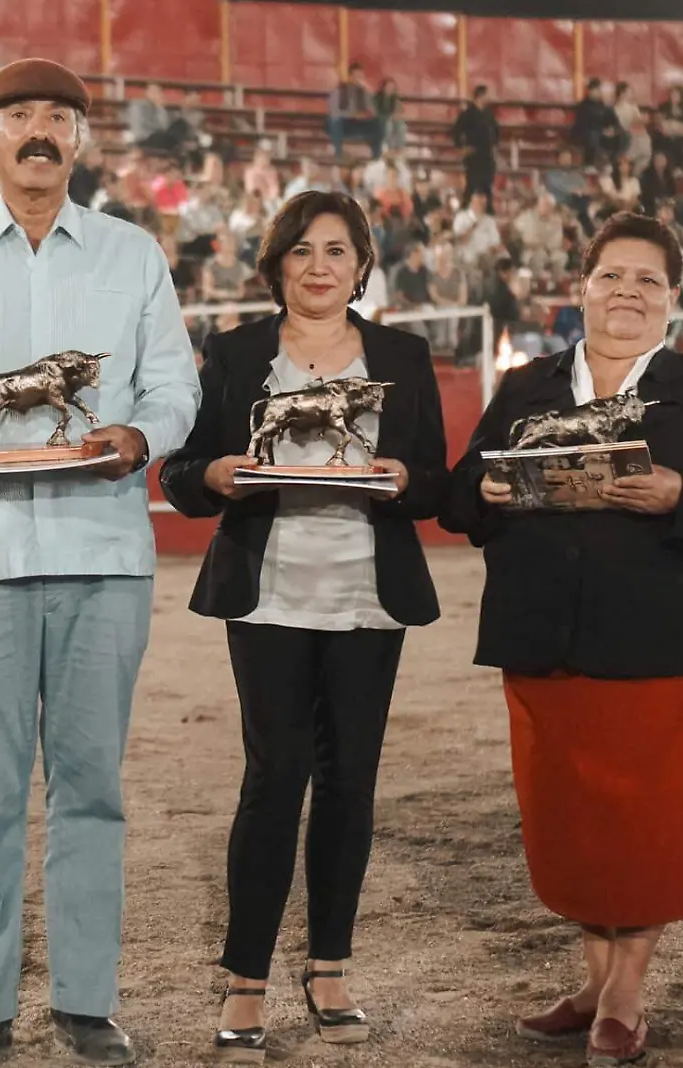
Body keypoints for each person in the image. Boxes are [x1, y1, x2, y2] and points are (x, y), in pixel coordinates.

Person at [0, 58, 200, 1068]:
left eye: (58, 116)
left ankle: (85, 1002)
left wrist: (139, 438)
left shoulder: (131, 253)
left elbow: (173, 383)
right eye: (19, 116)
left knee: (93, 784)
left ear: (80, 141)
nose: (39, 131)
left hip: (102, 548)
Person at [441, 212, 683, 1068]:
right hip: (542, 637)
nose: (626, 292)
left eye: (647, 281)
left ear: (673, 300)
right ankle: (594, 984)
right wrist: (495, 487)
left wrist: (679, 494)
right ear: (581, 288)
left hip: (660, 645)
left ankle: (626, 996)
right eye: (611, 276)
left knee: (649, 827)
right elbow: (457, 505)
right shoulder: (524, 388)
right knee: (572, 824)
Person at [157, 189, 446, 1064]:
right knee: (274, 778)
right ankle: (247, 975)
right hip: (270, 594)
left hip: (368, 594)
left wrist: (403, 475)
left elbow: (434, 479)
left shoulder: (403, 353)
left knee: (350, 782)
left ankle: (329, 965)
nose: (319, 267)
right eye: (301, 251)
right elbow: (180, 471)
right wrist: (216, 475)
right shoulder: (239, 350)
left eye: (337, 251)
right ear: (276, 264)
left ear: (362, 264)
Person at [453, 84, 499, 200]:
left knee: (487, 185)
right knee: (472, 184)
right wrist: (461, 148)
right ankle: (467, 208)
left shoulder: (488, 113)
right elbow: (456, 131)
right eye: (487, 95)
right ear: (480, 96)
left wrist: (495, 146)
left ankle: (486, 210)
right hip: (473, 154)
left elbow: (496, 130)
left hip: (487, 154)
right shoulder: (468, 113)